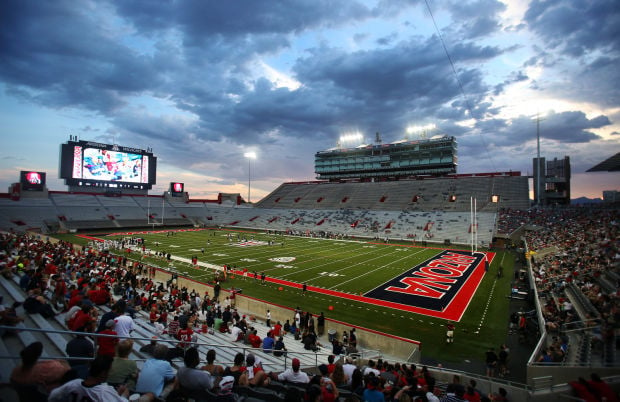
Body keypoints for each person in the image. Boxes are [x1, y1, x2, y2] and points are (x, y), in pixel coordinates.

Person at [48, 355, 137, 402]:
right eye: (109, 370)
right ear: (103, 373)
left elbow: (53, 396)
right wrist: (124, 395)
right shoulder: (103, 391)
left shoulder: (74, 383)